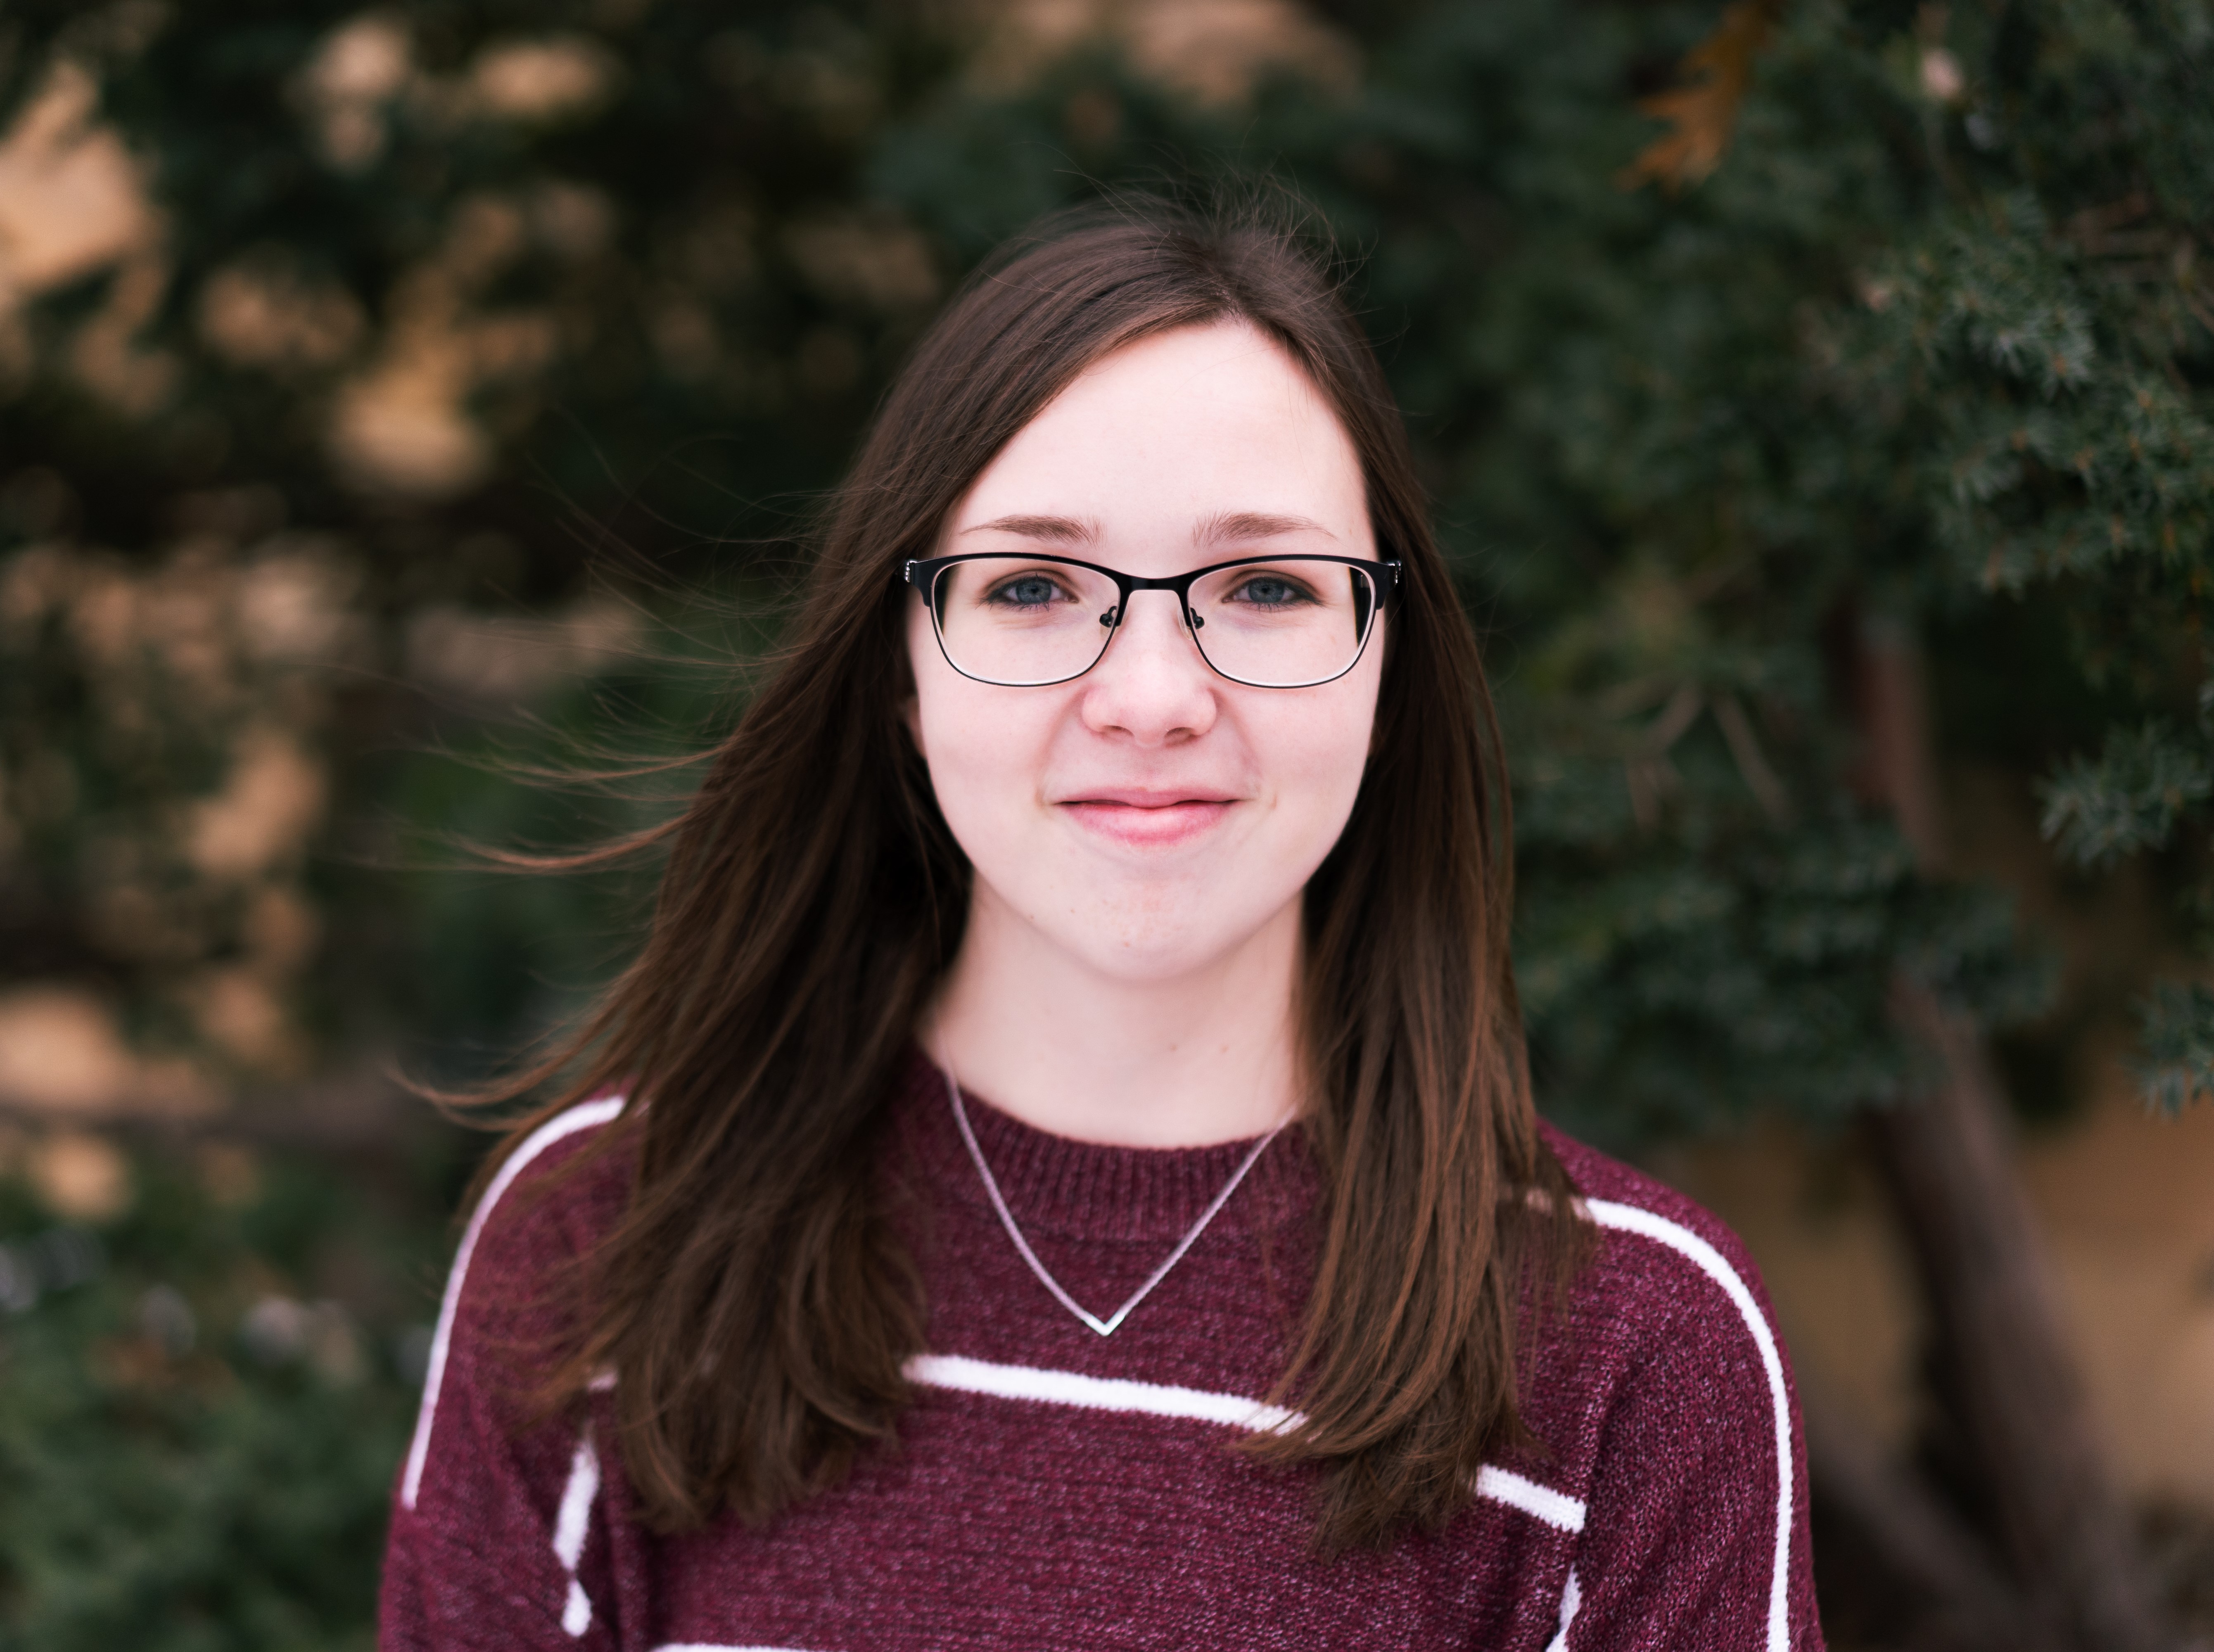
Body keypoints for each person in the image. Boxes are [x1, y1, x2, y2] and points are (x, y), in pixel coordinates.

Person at [379, 203, 1823, 1652]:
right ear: (903, 670)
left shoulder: (1637, 1350)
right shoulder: (607, 1250)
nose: (1150, 697)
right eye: (1030, 587)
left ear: (1388, 669)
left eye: (1263, 588)